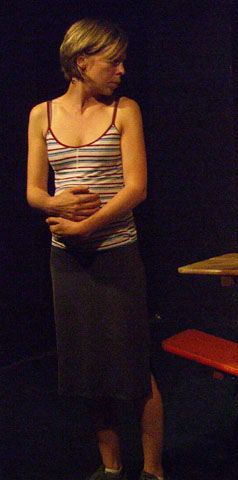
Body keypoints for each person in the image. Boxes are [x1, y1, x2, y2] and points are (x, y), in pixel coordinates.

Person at [26, 18, 166, 480]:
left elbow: (136, 188)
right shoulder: (42, 115)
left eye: (124, 61)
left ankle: (152, 470)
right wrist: (55, 205)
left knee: (133, 365)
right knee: (87, 369)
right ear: (82, 61)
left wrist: (86, 224)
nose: (122, 70)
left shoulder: (124, 110)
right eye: (114, 61)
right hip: (67, 261)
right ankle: (111, 468)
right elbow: (34, 191)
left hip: (116, 254)